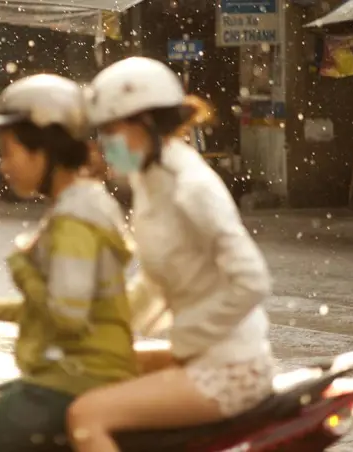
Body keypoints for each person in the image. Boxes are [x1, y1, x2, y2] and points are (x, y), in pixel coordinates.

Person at [66, 57, 276, 452]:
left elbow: (252, 281)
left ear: (144, 122)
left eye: (111, 129)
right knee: (87, 372)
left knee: (85, 415)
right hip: (201, 354)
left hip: (230, 366)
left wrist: (185, 339)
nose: (104, 143)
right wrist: (105, 330)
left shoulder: (191, 188)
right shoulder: (150, 180)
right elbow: (157, 279)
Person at [0, 74, 138, 452]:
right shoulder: (81, 203)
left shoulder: (75, 221)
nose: (3, 166)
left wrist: (21, 271)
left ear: (45, 150)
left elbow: (67, 318)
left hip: (75, 379)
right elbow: (55, 306)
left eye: (9, 151)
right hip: (68, 373)